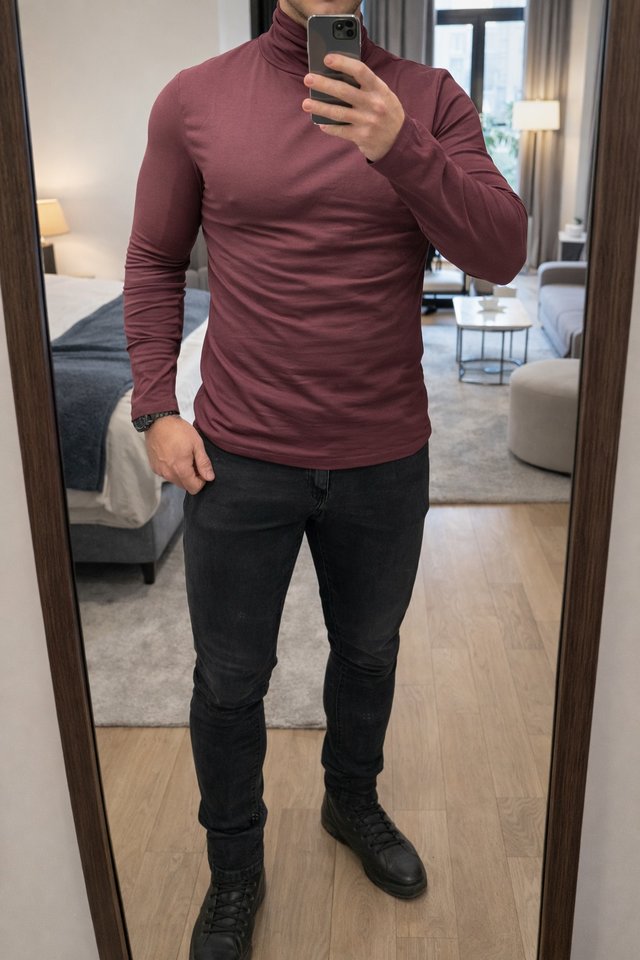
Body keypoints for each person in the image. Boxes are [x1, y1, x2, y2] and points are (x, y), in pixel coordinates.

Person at [123, 1, 527, 956]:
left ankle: (351, 800)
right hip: (238, 457)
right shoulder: (194, 99)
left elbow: (502, 252)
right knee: (230, 680)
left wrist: (402, 148)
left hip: (384, 455)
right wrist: (155, 405)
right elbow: (153, 259)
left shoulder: (428, 97)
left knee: (370, 651)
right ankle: (235, 868)